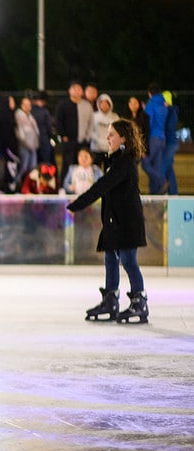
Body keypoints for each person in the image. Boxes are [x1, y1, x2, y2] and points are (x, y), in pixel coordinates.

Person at [67, 119, 149, 324]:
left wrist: (77, 204)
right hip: (114, 220)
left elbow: (102, 186)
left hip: (127, 221)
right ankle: (111, 300)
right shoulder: (115, 160)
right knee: (110, 259)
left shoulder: (124, 161)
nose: (107, 137)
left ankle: (140, 302)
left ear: (123, 138)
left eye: (111, 134)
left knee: (129, 261)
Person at [55, 81, 93, 186]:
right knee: (67, 164)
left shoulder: (87, 105)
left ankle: (79, 187)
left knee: (80, 165)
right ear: (69, 91)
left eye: (79, 89)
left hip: (83, 141)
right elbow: (58, 121)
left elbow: (91, 122)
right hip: (68, 141)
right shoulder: (63, 105)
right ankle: (63, 187)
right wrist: (63, 136)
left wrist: (87, 137)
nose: (77, 91)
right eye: (74, 88)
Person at [141, 82, 168, 194]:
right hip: (162, 138)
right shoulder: (163, 104)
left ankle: (163, 181)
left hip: (153, 138)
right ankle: (156, 195)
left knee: (145, 164)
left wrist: (145, 110)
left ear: (149, 93)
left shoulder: (151, 104)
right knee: (156, 167)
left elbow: (148, 124)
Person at [14, 96, 39, 189]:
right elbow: (20, 132)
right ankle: (15, 184)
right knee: (24, 167)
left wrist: (35, 144)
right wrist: (25, 143)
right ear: (21, 105)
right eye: (25, 105)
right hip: (24, 145)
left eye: (29, 105)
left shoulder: (31, 116)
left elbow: (35, 132)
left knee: (32, 168)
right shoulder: (19, 115)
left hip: (33, 146)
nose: (28, 107)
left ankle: (27, 186)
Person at [89, 93, 119, 167]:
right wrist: (98, 140)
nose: (104, 105)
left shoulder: (115, 117)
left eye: (106, 103)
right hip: (96, 148)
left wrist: (109, 142)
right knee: (96, 169)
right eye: (102, 103)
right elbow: (90, 131)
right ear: (98, 104)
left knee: (109, 170)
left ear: (110, 104)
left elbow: (118, 132)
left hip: (110, 149)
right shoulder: (94, 116)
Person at [161, 90, 179, 195]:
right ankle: (173, 193)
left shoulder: (171, 112)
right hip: (168, 143)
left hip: (170, 143)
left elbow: (169, 128)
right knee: (168, 168)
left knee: (163, 167)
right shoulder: (169, 111)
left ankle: (166, 190)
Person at [32, 90, 55, 166]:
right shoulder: (44, 111)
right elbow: (49, 127)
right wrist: (51, 136)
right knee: (46, 162)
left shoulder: (30, 110)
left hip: (31, 142)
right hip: (44, 140)